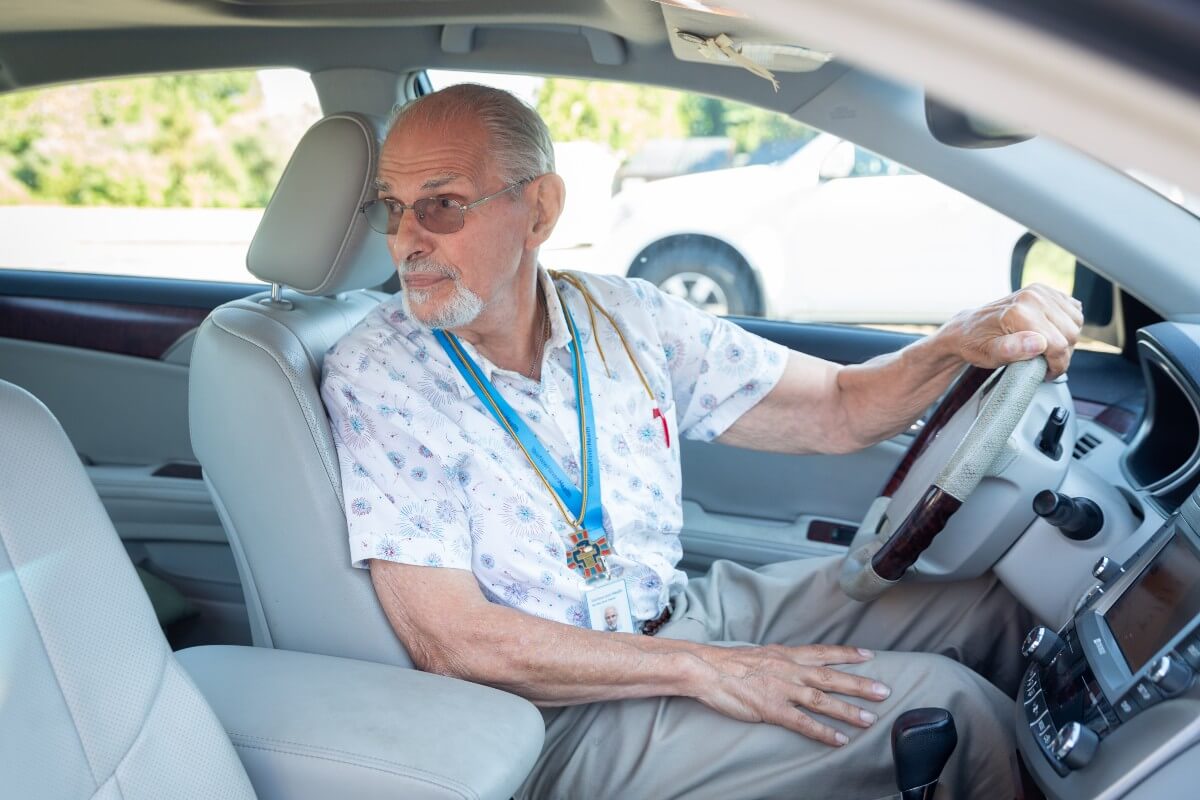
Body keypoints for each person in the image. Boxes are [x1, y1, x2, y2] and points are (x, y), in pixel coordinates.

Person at [321, 83, 1082, 799]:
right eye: (393, 209)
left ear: (539, 210)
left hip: (677, 614)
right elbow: (455, 640)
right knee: (952, 708)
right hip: (552, 713)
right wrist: (705, 669)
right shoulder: (381, 374)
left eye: (443, 205)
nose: (407, 240)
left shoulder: (621, 314)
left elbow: (840, 407)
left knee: (988, 607)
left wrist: (951, 346)